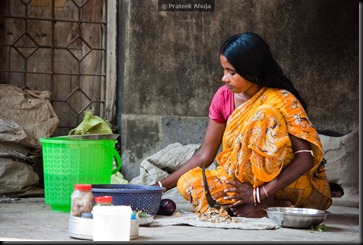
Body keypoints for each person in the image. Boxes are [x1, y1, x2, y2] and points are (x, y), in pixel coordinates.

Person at [155, 32, 332, 218]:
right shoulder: (223, 96)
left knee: (263, 115)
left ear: (253, 71)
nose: (224, 78)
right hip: (238, 184)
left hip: (283, 183)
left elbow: (305, 159)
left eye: (232, 72)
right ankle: (268, 206)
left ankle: (265, 200)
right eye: (223, 71)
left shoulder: (281, 100)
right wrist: (158, 188)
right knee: (189, 182)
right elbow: (204, 155)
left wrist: (257, 193)